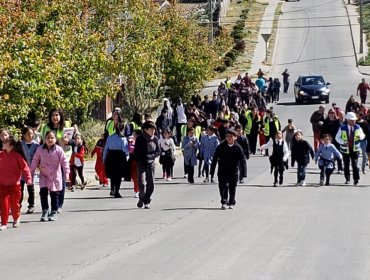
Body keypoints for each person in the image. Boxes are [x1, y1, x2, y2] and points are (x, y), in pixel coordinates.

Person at [30, 131, 70, 222]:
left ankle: (54, 211)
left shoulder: (59, 149)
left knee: (54, 195)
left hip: (55, 176)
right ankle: (45, 210)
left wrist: (67, 173)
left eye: (52, 138)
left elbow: (64, 162)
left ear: (55, 139)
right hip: (44, 175)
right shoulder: (40, 149)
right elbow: (35, 160)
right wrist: (30, 172)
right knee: (43, 193)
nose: (50, 139)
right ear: (44, 139)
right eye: (48, 138)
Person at [0, 136, 32, 230]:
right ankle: (4, 223)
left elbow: (25, 169)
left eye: (5, 142)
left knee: (15, 204)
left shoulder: (17, 156)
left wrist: (28, 179)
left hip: (15, 185)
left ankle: (16, 218)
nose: (3, 143)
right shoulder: (1, 155)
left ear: (11, 145)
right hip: (2, 185)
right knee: (4, 204)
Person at [210, 129, 246, 209]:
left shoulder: (238, 147)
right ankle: (224, 201)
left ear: (235, 137)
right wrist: (211, 172)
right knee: (223, 186)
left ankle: (231, 202)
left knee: (232, 187)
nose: (229, 138)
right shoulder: (221, 146)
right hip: (222, 170)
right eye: (227, 136)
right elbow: (215, 158)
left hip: (233, 171)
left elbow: (242, 160)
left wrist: (243, 174)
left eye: (231, 136)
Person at [134, 121, 160, 209]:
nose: (153, 131)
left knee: (151, 183)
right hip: (141, 163)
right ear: (145, 130)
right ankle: (142, 197)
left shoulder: (155, 139)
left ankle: (147, 200)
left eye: (154, 129)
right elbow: (136, 152)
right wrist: (140, 159)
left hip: (151, 163)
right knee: (141, 182)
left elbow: (158, 151)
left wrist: (151, 156)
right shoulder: (139, 139)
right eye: (151, 129)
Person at [335, 112, 365, 185]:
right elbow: (337, 138)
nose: (353, 121)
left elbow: (362, 135)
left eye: (354, 120)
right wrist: (343, 142)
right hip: (345, 149)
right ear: (347, 120)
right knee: (346, 165)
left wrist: (359, 137)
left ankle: (356, 179)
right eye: (351, 120)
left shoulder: (358, 127)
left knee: (355, 164)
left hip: (355, 149)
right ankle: (347, 179)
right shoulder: (342, 128)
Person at [103, 124, 129, 198]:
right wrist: (127, 156)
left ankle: (112, 189)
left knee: (113, 174)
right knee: (118, 175)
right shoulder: (123, 138)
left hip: (111, 156)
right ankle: (117, 191)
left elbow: (106, 149)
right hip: (120, 157)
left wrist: (104, 159)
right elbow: (125, 150)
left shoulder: (110, 137)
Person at [20, 127, 40, 214]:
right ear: (24, 135)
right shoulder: (20, 145)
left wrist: (38, 167)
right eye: (28, 134)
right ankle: (18, 205)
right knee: (19, 189)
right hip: (21, 170)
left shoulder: (37, 145)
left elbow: (39, 157)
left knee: (30, 189)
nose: (30, 135)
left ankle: (31, 205)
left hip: (32, 170)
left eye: (32, 133)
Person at [128, 130, 141, 198]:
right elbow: (130, 150)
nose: (133, 136)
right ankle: (136, 191)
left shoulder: (142, 142)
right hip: (133, 160)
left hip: (140, 161)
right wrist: (130, 143)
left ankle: (140, 190)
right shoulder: (131, 142)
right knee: (134, 177)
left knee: (140, 177)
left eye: (134, 135)